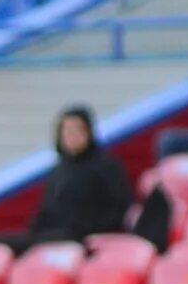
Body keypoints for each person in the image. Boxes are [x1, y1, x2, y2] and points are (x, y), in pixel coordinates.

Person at [22, 104, 133, 246]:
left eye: (76, 130)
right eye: (66, 131)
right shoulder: (57, 171)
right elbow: (46, 212)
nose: (71, 136)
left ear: (88, 132)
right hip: (52, 236)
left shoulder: (107, 167)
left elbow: (119, 209)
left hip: (87, 239)